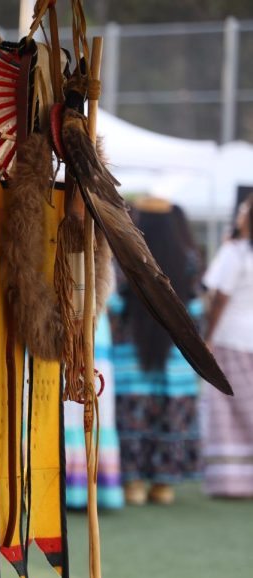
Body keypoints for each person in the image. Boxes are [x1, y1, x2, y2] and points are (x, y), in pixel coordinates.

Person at [110, 198, 202, 506]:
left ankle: (133, 483)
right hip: (176, 358)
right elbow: (196, 307)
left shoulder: (125, 256)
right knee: (169, 414)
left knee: (132, 417)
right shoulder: (187, 258)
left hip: (130, 356)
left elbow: (116, 304)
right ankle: (163, 486)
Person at [201, 195, 253, 498]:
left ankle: (231, 481)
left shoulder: (235, 253)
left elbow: (219, 296)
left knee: (229, 406)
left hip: (231, 336)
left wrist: (208, 336)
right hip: (245, 336)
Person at [63, 310, 125, 510]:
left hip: (86, 333)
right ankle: (78, 487)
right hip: (69, 331)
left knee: (87, 410)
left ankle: (84, 487)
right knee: (70, 410)